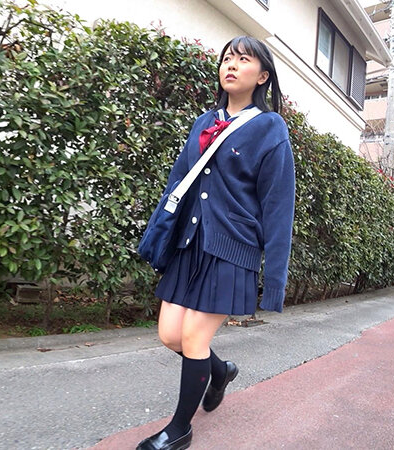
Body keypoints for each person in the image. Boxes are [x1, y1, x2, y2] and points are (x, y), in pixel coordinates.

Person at [137, 36, 296, 450]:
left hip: (233, 249)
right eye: (227, 58)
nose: (232, 65)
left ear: (262, 76)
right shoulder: (204, 121)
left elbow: (279, 207)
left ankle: (179, 429)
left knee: (193, 339)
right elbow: (177, 182)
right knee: (170, 335)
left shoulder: (270, 128)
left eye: (244, 59)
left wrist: (274, 283)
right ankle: (220, 371)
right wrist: (159, 235)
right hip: (190, 243)